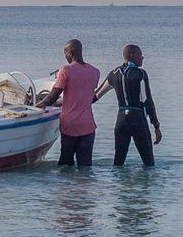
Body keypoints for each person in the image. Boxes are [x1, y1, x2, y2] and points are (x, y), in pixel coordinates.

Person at [38, 39, 102, 167]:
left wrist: (38, 105)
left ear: (70, 53)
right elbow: (83, 95)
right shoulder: (95, 72)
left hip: (70, 125)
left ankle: (67, 187)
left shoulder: (65, 70)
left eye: (65, 53)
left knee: (66, 164)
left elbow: (53, 95)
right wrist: (62, 103)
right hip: (88, 124)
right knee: (85, 165)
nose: (65, 56)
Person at [102, 44, 163, 166]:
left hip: (121, 120)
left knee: (118, 161)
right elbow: (148, 101)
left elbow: (96, 95)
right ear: (132, 56)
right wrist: (156, 126)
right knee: (148, 161)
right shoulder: (140, 74)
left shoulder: (113, 74)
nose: (142, 58)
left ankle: (118, 185)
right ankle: (147, 184)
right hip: (137, 119)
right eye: (140, 55)